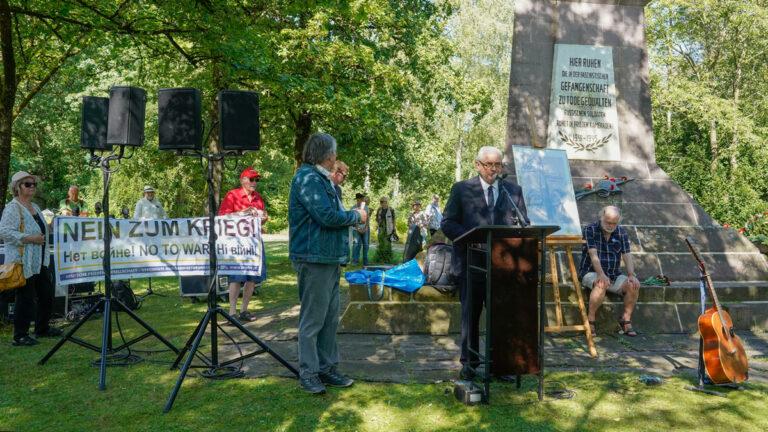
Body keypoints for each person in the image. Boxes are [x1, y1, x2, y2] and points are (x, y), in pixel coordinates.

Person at [441, 146, 529, 380]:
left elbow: (524, 223)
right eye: (488, 164)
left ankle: (500, 365)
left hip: (503, 265)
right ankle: (469, 363)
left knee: (501, 316)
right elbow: (448, 223)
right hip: (471, 261)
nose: (493, 169)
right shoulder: (462, 189)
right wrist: (472, 237)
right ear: (477, 164)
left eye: (497, 164)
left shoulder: (513, 191)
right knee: (471, 315)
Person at [289, 132, 366, 394]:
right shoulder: (308, 178)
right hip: (313, 258)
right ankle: (309, 372)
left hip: (328, 258)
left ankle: (327, 368)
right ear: (327, 155)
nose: (336, 158)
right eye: (334, 153)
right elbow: (325, 216)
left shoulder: (321, 179)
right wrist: (356, 215)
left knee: (330, 319)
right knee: (313, 320)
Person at [0, 172, 63, 346]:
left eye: (33, 184)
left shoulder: (34, 206)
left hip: (40, 259)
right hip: (23, 260)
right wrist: (29, 238)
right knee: (25, 298)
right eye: (28, 184)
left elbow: (41, 228)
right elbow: (4, 231)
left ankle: (42, 329)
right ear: (17, 187)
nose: (32, 187)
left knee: (47, 294)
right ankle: (20, 335)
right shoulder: (12, 207)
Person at [578, 205, 641, 337]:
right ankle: (590, 320)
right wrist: (601, 274)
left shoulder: (621, 232)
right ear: (602, 217)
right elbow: (592, 254)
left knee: (633, 285)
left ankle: (625, 320)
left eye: (614, 223)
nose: (611, 225)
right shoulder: (590, 229)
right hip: (591, 272)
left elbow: (627, 255)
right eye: (608, 222)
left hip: (613, 274)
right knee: (601, 283)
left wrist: (631, 274)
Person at [218, 167, 269, 323]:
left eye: (256, 180)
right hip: (237, 242)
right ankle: (232, 313)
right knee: (236, 278)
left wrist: (264, 218)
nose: (254, 183)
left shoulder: (258, 197)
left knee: (252, 278)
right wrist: (243, 213)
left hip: (254, 241)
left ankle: (244, 310)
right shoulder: (232, 195)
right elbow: (222, 217)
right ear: (243, 180)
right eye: (252, 179)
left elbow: (261, 217)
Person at [373, 196, 397, 263]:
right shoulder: (379, 210)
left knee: (388, 243)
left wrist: (394, 228)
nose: (383, 203)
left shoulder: (391, 209)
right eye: (382, 202)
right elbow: (376, 218)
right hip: (381, 228)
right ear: (380, 203)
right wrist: (378, 222)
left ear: (387, 202)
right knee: (381, 242)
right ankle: (380, 258)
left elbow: (394, 219)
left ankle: (388, 258)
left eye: (385, 202)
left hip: (389, 228)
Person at [351, 193, 370, 266]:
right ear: (357, 200)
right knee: (356, 245)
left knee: (366, 245)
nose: (362, 201)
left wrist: (365, 228)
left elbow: (367, 219)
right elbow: (353, 220)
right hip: (356, 229)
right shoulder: (353, 208)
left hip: (365, 229)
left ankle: (365, 262)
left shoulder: (366, 208)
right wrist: (357, 228)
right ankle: (355, 261)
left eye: (363, 199)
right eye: (361, 199)